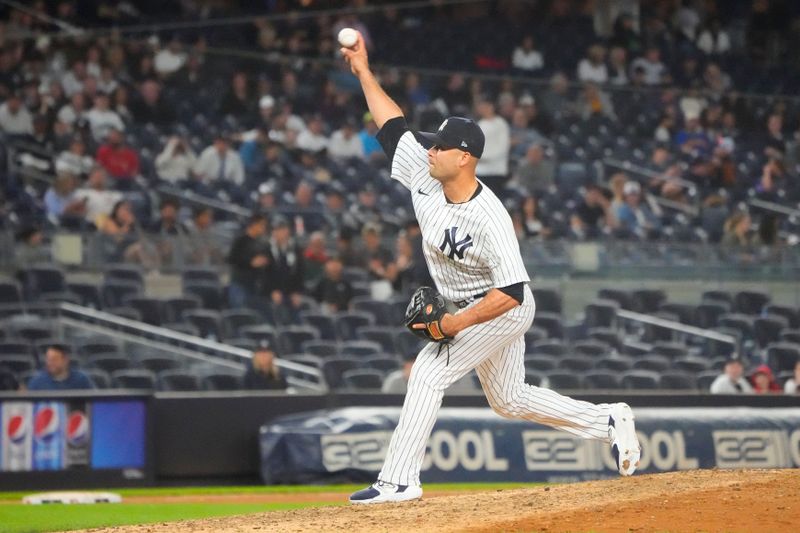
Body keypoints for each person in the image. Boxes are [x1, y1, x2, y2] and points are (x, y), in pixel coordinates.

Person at [341, 30, 641, 505]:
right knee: (509, 400)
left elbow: (514, 293)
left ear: (464, 158)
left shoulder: (490, 216)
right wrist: (363, 71)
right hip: (469, 303)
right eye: (431, 145)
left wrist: (455, 323)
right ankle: (606, 420)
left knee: (428, 372)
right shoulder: (424, 173)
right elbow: (392, 125)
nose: (429, 150)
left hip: (499, 306)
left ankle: (399, 480)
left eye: (439, 146)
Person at [227, 214, 270, 310]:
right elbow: (231, 259)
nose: (264, 228)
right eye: (262, 225)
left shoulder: (262, 242)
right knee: (240, 313)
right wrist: (250, 262)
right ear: (254, 224)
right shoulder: (240, 240)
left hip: (255, 285)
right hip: (240, 284)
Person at [27, 344, 95, 390]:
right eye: (48, 359)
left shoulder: (81, 380)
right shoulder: (37, 381)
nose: (49, 363)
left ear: (65, 360)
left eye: (54, 359)